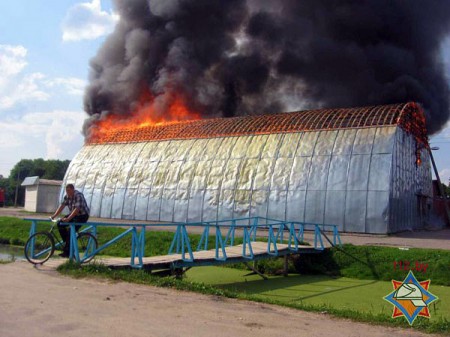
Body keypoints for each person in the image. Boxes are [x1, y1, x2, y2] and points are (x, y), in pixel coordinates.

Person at [51, 184, 90, 257]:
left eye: (69, 191)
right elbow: (62, 206)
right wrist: (54, 215)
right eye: (66, 191)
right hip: (74, 214)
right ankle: (68, 244)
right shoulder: (67, 197)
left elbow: (77, 209)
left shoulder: (78, 195)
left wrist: (68, 219)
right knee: (60, 224)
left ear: (73, 189)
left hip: (82, 216)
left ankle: (68, 251)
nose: (67, 192)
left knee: (70, 231)